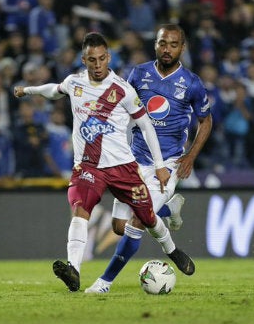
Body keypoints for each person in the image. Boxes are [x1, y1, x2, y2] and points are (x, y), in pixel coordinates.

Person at [14, 31, 195, 292]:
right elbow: (54, 91)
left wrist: (159, 166)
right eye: (92, 60)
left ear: (108, 57)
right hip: (88, 167)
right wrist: (27, 90)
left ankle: (172, 250)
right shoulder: (74, 83)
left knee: (146, 218)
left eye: (101, 59)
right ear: (83, 59)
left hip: (123, 167)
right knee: (79, 209)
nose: (98, 65)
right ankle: (73, 269)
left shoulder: (122, 89)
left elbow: (146, 126)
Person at [85, 24, 212, 293]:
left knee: (138, 222)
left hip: (167, 164)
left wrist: (190, 157)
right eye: (163, 43)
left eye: (173, 44)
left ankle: (104, 282)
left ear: (182, 48)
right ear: (155, 44)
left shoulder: (191, 82)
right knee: (118, 227)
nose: (167, 49)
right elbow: (121, 108)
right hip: (134, 159)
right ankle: (169, 210)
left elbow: (206, 120)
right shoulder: (139, 74)